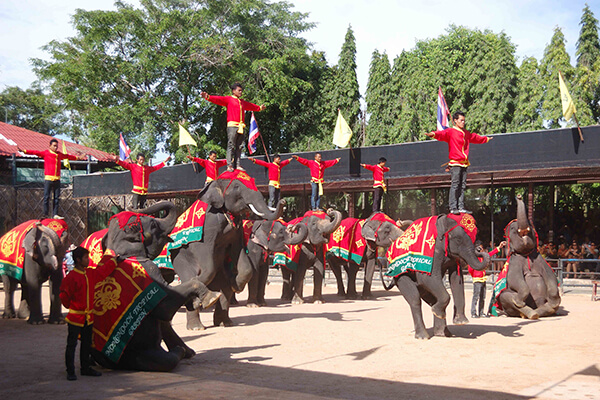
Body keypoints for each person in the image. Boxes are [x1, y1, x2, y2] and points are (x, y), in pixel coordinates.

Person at [60, 247, 119, 380]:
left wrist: (114, 262)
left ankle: (85, 368)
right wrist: (72, 307)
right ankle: (70, 371)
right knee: (72, 344)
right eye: (86, 258)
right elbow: (64, 297)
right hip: (76, 317)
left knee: (86, 344)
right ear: (78, 260)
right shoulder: (71, 277)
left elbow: (103, 272)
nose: (89, 260)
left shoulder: (90, 273)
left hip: (88, 318)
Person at [425, 111, 492, 215]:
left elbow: (475, 137)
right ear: (455, 121)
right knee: (455, 185)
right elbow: (441, 134)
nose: (463, 122)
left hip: (464, 163)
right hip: (455, 162)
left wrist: (485, 139)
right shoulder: (451, 131)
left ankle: (460, 206)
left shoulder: (466, 133)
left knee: (463, 185)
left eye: (464, 120)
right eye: (461, 120)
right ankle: (453, 207)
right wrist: (433, 134)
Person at [200, 83, 265, 171]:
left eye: (241, 90)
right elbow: (218, 99)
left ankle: (237, 165)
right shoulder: (229, 99)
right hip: (232, 126)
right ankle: (229, 165)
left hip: (241, 126)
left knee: (240, 146)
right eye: (239, 90)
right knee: (231, 145)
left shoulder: (242, 102)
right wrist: (208, 97)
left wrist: (259, 108)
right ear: (234, 91)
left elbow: (250, 106)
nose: (241, 92)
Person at [19, 138, 85, 218]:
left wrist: (78, 158)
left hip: (57, 179)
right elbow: (35, 152)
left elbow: (67, 156)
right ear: (50, 146)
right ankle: (45, 214)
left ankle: (55, 214)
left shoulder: (59, 154)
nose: (56, 148)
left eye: (57, 146)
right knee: (46, 197)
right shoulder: (46, 153)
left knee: (57, 198)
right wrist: (24, 151)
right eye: (54, 146)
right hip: (48, 179)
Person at [469, 240, 506, 318]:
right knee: (476, 296)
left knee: (482, 297)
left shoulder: (483, 257)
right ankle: (473, 312)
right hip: (477, 279)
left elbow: (491, 254)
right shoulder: (473, 258)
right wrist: (475, 275)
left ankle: (481, 312)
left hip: (483, 278)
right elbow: (470, 269)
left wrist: (499, 247)